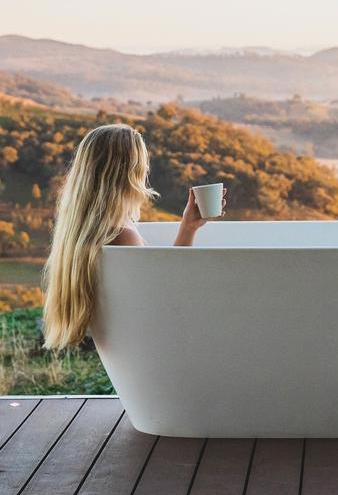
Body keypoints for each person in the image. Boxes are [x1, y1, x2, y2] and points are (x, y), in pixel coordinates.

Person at [42, 123, 227, 349]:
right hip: (149, 345)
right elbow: (166, 296)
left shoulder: (82, 230)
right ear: (129, 173)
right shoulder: (123, 235)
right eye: (142, 166)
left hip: (126, 342)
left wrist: (188, 228)